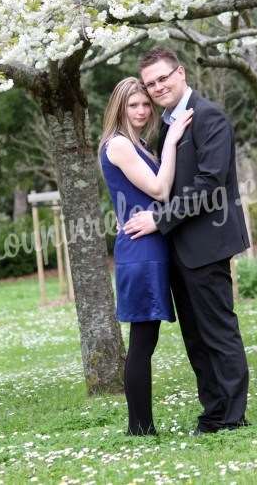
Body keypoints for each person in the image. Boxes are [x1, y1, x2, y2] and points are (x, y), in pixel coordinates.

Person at [123, 48, 251, 434]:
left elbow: (210, 185)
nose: (158, 87)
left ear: (180, 73)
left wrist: (159, 220)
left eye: (164, 78)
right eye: (151, 83)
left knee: (218, 333)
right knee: (196, 340)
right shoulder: (167, 124)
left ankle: (232, 417)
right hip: (178, 249)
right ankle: (212, 413)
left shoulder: (209, 116)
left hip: (207, 246)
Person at [98, 77, 193, 436]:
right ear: (119, 109)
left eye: (144, 105)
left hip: (152, 245)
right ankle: (139, 427)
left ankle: (141, 425)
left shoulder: (136, 144)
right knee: (142, 340)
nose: (140, 111)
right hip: (141, 250)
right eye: (132, 105)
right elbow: (158, 189)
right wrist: (171, 140)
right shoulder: (120, 145)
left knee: (145, 339)